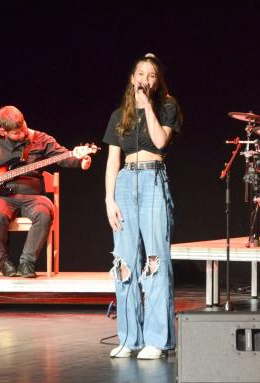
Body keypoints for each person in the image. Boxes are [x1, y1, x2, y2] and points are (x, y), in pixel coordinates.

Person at [104, 53, 182, 359]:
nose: (144, 80)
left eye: (151, 76)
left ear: (156, 81)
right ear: (132, 78)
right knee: (124, 263)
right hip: (125, 182)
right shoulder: (118, 115)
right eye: (140, 74)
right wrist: (109, 199)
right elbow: (112, 160)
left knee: (155, 260)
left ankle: (157, 340)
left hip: (152, 179)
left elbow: (160, 141)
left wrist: (147, 104)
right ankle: (128, 338)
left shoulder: (167, 106)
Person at [0, 106, 91, 278]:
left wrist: (79, 161)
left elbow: (62, 155)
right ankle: (4, 261)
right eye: (16, 133)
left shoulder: (41, 139)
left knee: (45, 212)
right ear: (4, 130)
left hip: (33, 195)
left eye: (23, 128)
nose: (22, 135)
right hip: (2, 196)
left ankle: (27, 263)